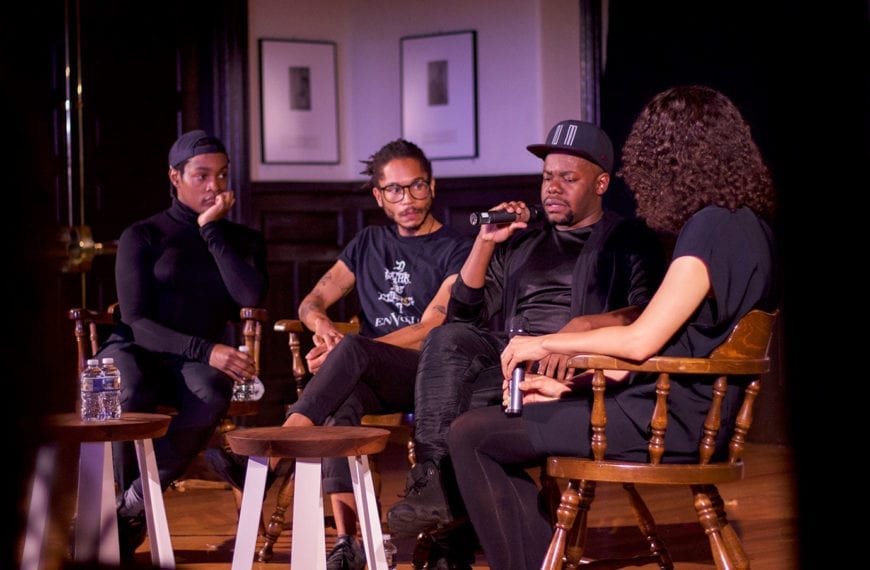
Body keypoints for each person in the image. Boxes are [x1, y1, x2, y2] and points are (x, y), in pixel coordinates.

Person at [446, 85, 779, 569]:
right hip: (692, 413)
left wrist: (540, 341)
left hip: (667, 424)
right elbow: (680, 343)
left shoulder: (710, 228)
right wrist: (572, 390)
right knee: (492, 427)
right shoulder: (752, 227)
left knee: (471, 434)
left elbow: (642, 339)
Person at [386, 120, 667, 565]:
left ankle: (449, 540)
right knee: (448, 341)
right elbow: (462, 318)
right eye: (546, 176)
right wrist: (485, 243)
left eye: (568, 178)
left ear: (601, 183)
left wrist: (579, 329)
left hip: (574, 377)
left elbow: (647, 314)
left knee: (456, 406)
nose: (552, 188)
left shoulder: (630, 240)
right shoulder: (525, 241)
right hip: (508, 367)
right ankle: (438, 494)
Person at [205, 138, 472, 570]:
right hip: (370, 371)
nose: (408, 199)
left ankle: (272, 455)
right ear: (379, 196)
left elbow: (430, 328)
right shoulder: (368, 243)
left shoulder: (457, 248)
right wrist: (323, 328)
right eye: (395, 190)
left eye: (417, 186)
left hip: (429, 374)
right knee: (336, 407)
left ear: (433, 187)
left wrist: (349, 350)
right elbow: (311, 301)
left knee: (349, 358)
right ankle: (348, 541)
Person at [95, 129, 269, 559]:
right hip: (137, 348)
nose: (215, 186)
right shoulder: (143, 235)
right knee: (130, 385)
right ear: (175, 176)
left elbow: (250, 298)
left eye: (223, 176)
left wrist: (212, 232)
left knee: (213, 389)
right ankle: (130, 503)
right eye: (202, 175)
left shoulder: (243, 240)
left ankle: (130, 505)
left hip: (189, 362)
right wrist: (205, 349)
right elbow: (134, 320)